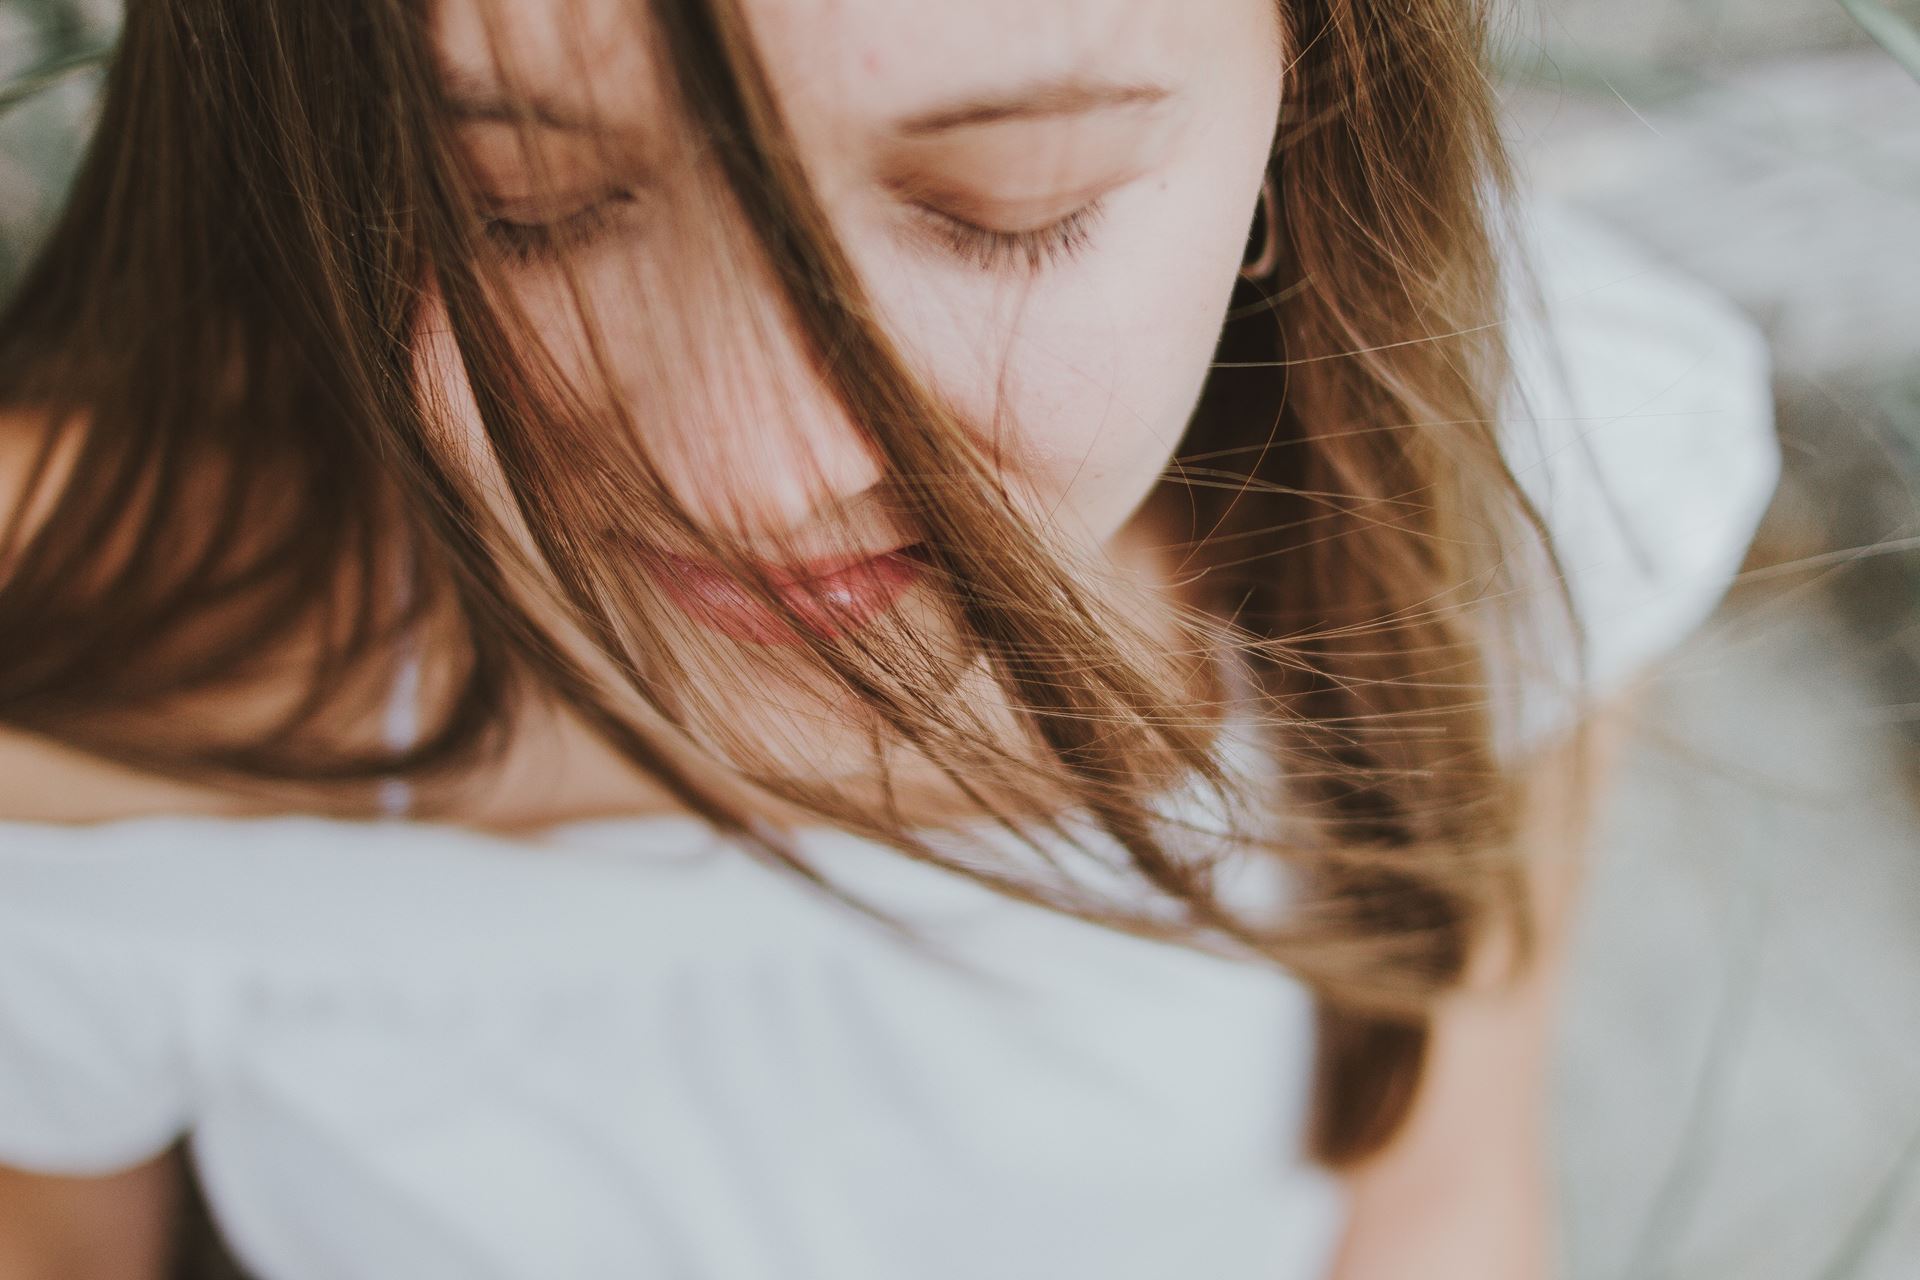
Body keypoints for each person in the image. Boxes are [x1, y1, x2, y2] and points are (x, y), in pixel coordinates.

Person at [0, 0, 1778, 1276]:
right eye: (513, 212)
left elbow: (1440, 1198)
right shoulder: (82, 684)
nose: (755, 476)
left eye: (1012, 208)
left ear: (1304, 92)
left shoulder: (1491, 475)